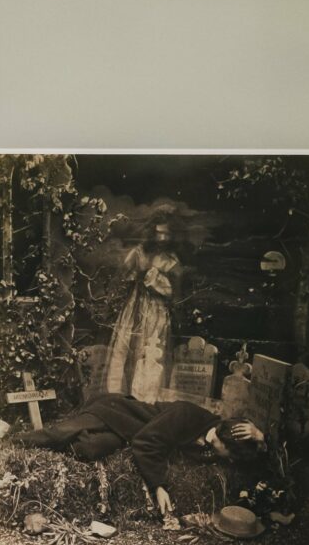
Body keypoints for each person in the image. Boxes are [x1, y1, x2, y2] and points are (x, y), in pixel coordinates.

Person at [15, 392, 265, 517]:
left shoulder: (215, 443)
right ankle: (12, 438)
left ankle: (81, 435)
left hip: (128, 435)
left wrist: (260, 437)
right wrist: (158, 486)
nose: (230, 461)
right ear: (223, 440)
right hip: (119, 412)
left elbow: (253, 466)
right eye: (230, 454)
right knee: (60, 433)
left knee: (90, 449)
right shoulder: (186, 414)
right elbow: (146, 443)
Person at [103, 215, 180, 402]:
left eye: (166, 234)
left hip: (157, 310)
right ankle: (120, 394)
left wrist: (158, 281)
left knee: (154, 348)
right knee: (126, 345)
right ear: (152, 233)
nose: (162, 238)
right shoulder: (139, 252)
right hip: (135, 305)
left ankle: (149, 396)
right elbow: (123, 275)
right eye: (159, 233)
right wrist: (138, 275)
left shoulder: (171, 260)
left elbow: (173, 291)